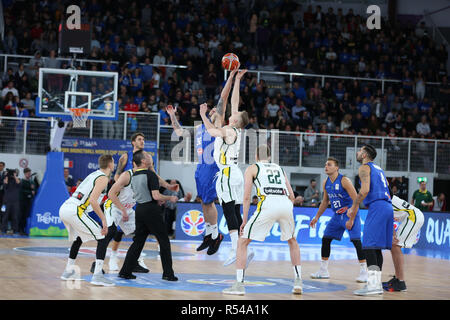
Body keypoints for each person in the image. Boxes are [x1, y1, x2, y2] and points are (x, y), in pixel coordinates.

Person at [166, 70, 239, 255]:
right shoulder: (199, 127)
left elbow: (224, 97)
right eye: (212, 109)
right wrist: (173, 116)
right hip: (200, 167)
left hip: (212, 167)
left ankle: (216, 236)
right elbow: (180, 133)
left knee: (209, 202)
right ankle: (209, 234)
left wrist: (231, 77)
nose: (214, 109)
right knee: (203, 202)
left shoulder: (218, 126)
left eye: (216, 110)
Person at [223, 145, 302, 295]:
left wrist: (244, 220)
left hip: (268, 203)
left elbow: (246, 197)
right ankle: (298, 281)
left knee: (242, 242)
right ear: (270, 156)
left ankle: (239, 285)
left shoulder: (252, 168)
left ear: (256, 156)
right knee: (292, 241)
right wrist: (285, 207)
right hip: (285, 204)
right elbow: (292, 196)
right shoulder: (280, 168)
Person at [199, 67, 251, 266]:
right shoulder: (236, 128)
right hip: (235, 172)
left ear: (237, 121)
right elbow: (235, 101)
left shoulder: (229, 130)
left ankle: (234, 250)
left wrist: (203, 115)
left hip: (228, 173)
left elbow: (212, 131)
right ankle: (244, 248)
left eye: (235, 115)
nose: (232, 113)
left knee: (229, 211)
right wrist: (236, 79)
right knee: (235, 212)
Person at [109, 132, 178, 271]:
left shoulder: (147, 157)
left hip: (139, 196)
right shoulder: (126, 157)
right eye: (140, 139)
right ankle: (113, 258)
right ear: (133, 142)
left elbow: (154, 176)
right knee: (118, 232)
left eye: (144, 139)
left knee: (139, 231)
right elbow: (117, 175)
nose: (143, 142)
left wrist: (167, 186)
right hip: (125, 194)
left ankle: (137, 260)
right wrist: (124, 185)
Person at [59, 155, 116, 287]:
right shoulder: (103, 178)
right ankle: (97, 275)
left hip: (66, 208)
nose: (114, 164)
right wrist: (103, 220)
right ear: (109, 164)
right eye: (113, 162)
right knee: (102, 235)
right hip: (75, 210)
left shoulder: (94, 174)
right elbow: (92, 201)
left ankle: (68, 272)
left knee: (78, 239)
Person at [309, 157, 368, 282]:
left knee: (356, 241)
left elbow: (356, 200)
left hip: (350, 213)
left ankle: (364, 271)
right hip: (337, 216)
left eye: (329, 165)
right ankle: (323, 270)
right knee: (326, 239)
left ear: (336, 168)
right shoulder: (326, 182)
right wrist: (317, 217)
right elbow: (325, 202)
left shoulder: (344, 180)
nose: (326, 167)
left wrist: (351, 219)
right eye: (325, 165)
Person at [348, 145, 393, 296]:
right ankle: (376, 285)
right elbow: (389, 191)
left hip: (377, 206)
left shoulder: (364, 168)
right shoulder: (379, 169)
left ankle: (373, 285)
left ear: (365, 154)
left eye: (360, 150)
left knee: (368, 246)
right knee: (376, 247)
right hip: (387, 206)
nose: (358, 152)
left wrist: (354, 205)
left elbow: (365, 190)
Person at [383, 195, 424, 292]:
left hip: (413, 216)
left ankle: (401, 282)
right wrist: (392, 236)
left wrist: (393, 236)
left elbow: (389, 219)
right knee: (394, 246)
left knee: (395, 245)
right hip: (412, 216)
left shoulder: (382, 199)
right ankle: (397, 279)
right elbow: (390, 218)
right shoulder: (384, 195)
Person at [1, 169, 21, 235]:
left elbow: (18, 183)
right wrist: (6, 176)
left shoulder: (17, 180)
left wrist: (15, 176)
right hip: (6, 201)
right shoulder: (5, 179)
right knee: (5, 216)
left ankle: (15, 230)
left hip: (15, 201)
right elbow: (5, 185)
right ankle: (4, 230)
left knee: (15, 216)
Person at [19, 168, 35, 235]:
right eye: (28, 173)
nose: (29, 174)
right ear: (25, 174)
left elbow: (34, 189)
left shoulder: (32, 181)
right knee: (22, 215)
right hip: (23, 201)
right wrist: (30, 192)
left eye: (30, 173)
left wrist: (33, 191)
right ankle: (21, 230)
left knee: (26, 216)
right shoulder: (22, 181)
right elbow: (22, 191)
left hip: (29, 201)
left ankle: (25, 230)